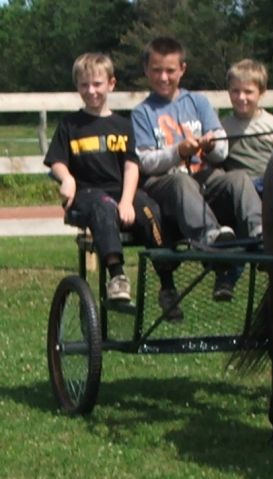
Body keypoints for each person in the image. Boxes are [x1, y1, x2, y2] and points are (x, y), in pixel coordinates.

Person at [44, 52, 178, 315]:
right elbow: (57, 160)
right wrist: (66, 178)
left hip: (120, 191)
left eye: (97, 84)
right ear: (77, 87)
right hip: (86, 195)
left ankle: (167, 285)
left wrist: (128, 200)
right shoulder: (70, 125)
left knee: (150, 210)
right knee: (104, 206)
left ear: (111, 84)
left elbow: (131, 166)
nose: (91, 91)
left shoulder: (123, 125)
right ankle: (117, 276)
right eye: (84, 85)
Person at [131, 37, 263, 303]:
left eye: (170, 70)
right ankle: (210, 239)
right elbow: (145, 162)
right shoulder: (142, 112)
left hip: (204, 177)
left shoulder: (198, 103)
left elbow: (221, 149)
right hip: (164, 185)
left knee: (236, 178)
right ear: (146, 70)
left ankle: (260, 232)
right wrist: (178, 152)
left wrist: (212, 145)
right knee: (182, 182)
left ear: (183, 69)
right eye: (157, 70)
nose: (164, 77)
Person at [221, 58, 273, 194]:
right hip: (238, 189)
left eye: (248, 92)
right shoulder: (222, 127)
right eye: (235, 91)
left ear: (262, 92)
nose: (241, 97)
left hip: (270, 187)